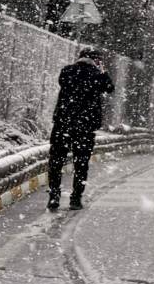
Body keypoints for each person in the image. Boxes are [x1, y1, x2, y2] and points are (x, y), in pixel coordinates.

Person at [47, 48, 114, 210]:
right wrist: (102, 71)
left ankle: (54, 196)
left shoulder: (67, 71)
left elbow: (63, 82)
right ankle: (75, 199)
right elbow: (110, 88)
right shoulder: (98, 76)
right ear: (97, 61)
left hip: (63, 124)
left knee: (56, 161)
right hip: (85, 126)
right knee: (81, 163)